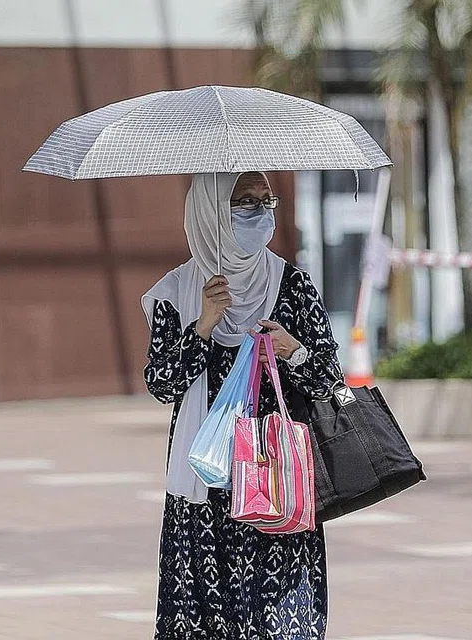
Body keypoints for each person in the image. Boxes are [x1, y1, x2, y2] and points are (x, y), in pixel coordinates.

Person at [141, 171, 343, 639]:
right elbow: (162, 384)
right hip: (207, 486)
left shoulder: (290, 284)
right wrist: (204, 326)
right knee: (208, 621)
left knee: (281, 618)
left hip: (279, 475)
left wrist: (295, 350)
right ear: (210, 212)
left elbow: (329, 378)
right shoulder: (178, 293)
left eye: (265, 200)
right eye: (244, 201)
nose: (260, 212)